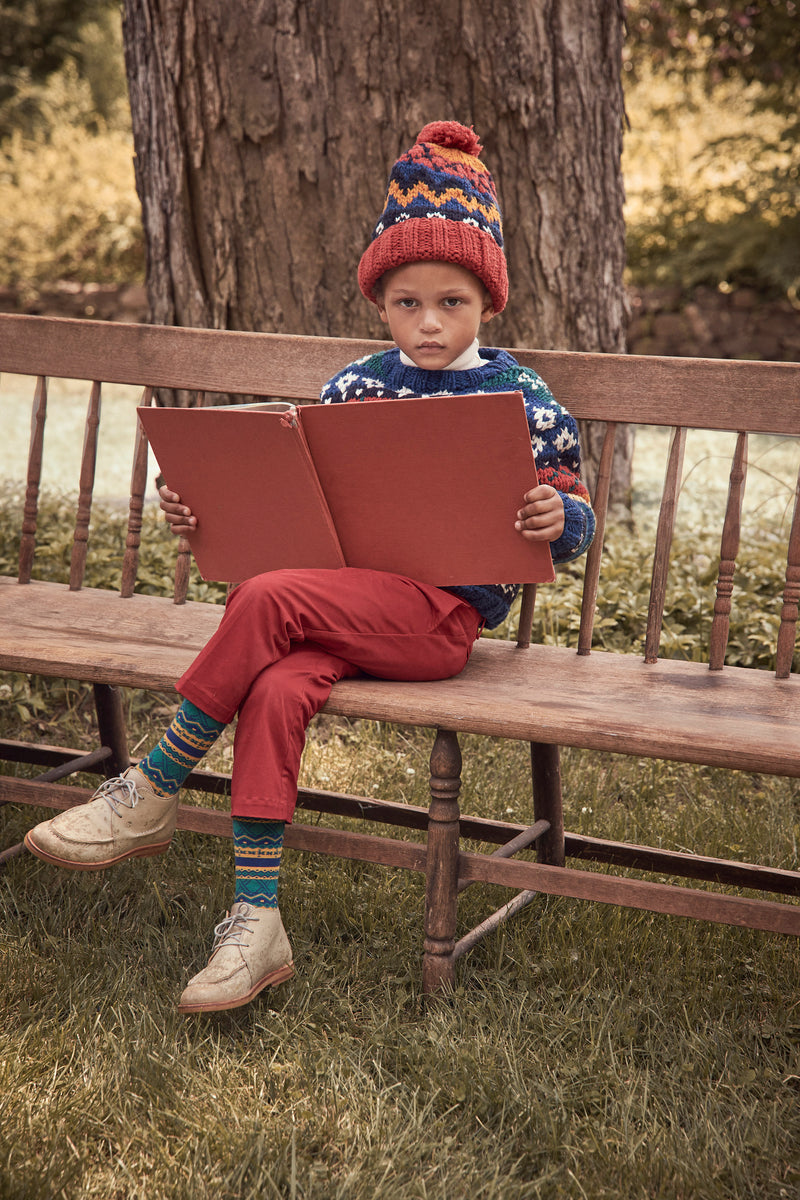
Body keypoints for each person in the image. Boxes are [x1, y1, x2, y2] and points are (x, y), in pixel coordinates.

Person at [24, 121, 596, 1014]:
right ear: (381, 303)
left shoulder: (522, 398)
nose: (429, 321)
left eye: (451, 300)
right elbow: (306, 513)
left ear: (488, 300)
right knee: (277, 685)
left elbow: (574, 517)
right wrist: (202, 513)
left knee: (266, 598)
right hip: (339, 605)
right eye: (407, 302)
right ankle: (256, 924)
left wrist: (559, 514)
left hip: (439, 622)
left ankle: (154, 784)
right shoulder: (356, 388)